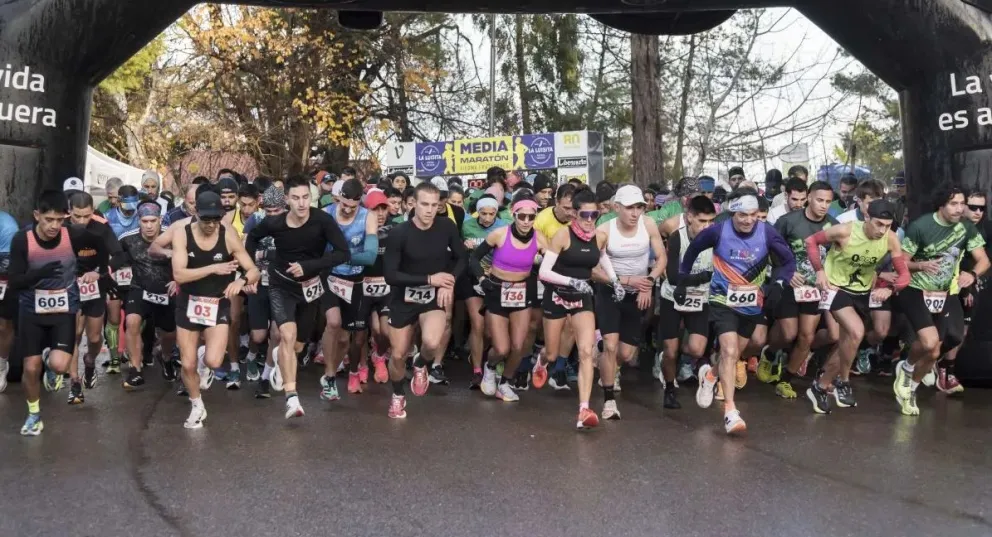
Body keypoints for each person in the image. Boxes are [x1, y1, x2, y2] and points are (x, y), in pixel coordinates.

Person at [675, 191, 795, 435]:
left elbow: (788, 262)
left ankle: (710, 376)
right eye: (742, 215)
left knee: (736, 352)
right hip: (722, 298)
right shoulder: (718, 230)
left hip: (752, 301)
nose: (748, 220)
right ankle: (730, 411)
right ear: (732, 213)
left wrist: (779, 284)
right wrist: (682, 280)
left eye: (753, 215)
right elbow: (692, 251)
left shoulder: (767, 231)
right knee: (729, 350)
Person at [245, 175, 351, 420]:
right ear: (287, 201)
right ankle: (291, 398)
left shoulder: (323, 221)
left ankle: (279, 357)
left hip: (310, 286)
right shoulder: (275, 223)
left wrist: (310, 265)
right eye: (296, 198)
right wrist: (249, 268)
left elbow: (343, 253)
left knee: (299, 346)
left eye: (306, 197)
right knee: (287, 335)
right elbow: (251, 238)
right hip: (281, 286)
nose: (302, 203)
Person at [8, 190, 111, 435]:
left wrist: (100, 272)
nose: (54, 225)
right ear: (37, 216)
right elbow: (15, 282)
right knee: (30, 368)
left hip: (64, 307)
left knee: (59, 365)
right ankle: (34, 415)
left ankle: (49, 360)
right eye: (48, 220)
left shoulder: (73, 235)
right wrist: (39, 274)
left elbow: (104, 247)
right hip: (32, 308)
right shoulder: (22, 240)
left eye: (59, 220)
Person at [804, 199, 909, 413]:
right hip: (835, 287)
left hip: (861, 292)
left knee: (848, 342)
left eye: (888, 225)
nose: (883, 230)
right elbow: (810, 241)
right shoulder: (844, 231)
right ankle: (843, 381)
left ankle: (820, 386)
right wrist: (819, 270)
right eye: (879, 223)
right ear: (867, 217)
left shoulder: (890, 239)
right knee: (857, 331)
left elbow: (904, 274)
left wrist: (890, 289)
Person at [533, 188, 625, 429]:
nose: (589, 221)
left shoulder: (600, 235)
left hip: (582, 297)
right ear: (574, 214)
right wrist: (571, 281)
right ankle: (541, 361)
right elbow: (544, 272)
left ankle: (584, 409)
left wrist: (615, 281)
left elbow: (602, 257)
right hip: (557, 295)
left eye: (594, 215)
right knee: (552, 354)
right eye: (584, 215)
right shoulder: (562, 236)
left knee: (586, 351)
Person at [894, 182, 989, 416]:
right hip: (916, 290)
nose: (960, 209)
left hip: (946, 292)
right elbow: (901, 262)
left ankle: (910, 380)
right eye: (954, 204)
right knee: (929, 344)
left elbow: (984, 260)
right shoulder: (921, 226)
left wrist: (972, 274)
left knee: (951, 339)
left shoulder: (966, 228)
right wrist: (921, 265)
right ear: (941, 205)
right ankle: (907, 373)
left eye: (962, 204)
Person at [171, 191, 260, 428]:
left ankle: (204, 358)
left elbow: (253, 270)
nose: (211, 225)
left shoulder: (228, 234)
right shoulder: (182, 234)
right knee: (187, 364)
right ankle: (197, 406)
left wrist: (241, 281)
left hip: (216, 302)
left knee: (213, 360)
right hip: (188, 301)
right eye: (206, 219)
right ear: (195, 214)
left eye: (215, 219)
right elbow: (179, 274)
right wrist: (214, 268)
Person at [382, 181, 467, 418]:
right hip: (403, 297)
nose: (430, 210)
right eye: (424, 204)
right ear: (414, 204)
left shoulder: (447, 227)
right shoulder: (399, 233)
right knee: (398, 355)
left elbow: (462, 258)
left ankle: (421, 364)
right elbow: (390, 275)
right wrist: (430, 279)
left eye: (434, 205)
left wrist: (449, 280)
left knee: (431, 343)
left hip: (432, 299)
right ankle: (398, 395)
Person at [591, 185, 666, 419]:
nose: (635, 213)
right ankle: (609, 401)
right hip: (609, 291)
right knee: (612, 346)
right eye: (630, 208)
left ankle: (605, 355)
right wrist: (623, 280)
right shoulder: (604, 230)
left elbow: (662, 257)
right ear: (616, 208)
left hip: (636, 294)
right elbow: (592, 269)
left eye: (640, 207)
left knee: (625, 354)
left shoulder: (648, 224)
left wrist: (648, 282)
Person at [757, 181, 837, 398]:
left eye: (828, 201)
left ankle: (786, 380)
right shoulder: (788, 221)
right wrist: (787, 272)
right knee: (789, 333)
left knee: (806, 336)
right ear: (809, 197)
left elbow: (836, 255)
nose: (824, 205)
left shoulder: (833, 225)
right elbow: (771, 249)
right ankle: (771, 353)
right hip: (789, 285)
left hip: (814, 288)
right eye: (820, 200)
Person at [470, 196, 546, 401]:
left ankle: (505, 383)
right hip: (497, 290)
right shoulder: (499, 235)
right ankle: (490, 366)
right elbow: (474, 258)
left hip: (522, 292)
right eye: (522, 216)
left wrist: (543, 260)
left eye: (531, 216)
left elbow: (550, 263)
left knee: (518, 346)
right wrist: (482, 278)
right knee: (501, 348)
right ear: (514, 215)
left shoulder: (539, 239)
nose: (526, 221)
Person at [319, 178, 379, 399]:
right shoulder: (325, 214)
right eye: (343, 204)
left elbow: (371, 256)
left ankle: (331, 372)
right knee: (333, 323)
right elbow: (316, 250)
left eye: (352, 206)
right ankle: (330, 377)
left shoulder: (368, 217)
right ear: (338, 198)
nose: (346, 209)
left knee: (345, 339)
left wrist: (342, 256)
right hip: (330, 277)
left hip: (353, 281)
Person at [64, 191, 123, 404]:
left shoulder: (101, 226)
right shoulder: (60, 227)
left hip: (95, 283)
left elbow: (119, 255)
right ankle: (74, 382)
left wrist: (100, 272)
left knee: (95, 337)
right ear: (69, 211)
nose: (81, 221)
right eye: (77, 216)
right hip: (70, 286)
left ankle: (89, 362)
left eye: (86, 216)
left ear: (93, 212)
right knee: (74, 334)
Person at [114, 201, 178, 390]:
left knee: (169, 333)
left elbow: (187, 259)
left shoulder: (173, 236)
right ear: (138, 220)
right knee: (132, 321)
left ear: (160, 220)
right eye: (144, 221)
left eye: (153, 221)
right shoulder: (127, 238)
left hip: (167, 289)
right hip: (139, 287)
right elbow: (115, 259)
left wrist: (178, 280)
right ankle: (135, 369)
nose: (149, 226)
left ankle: (165, 357)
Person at [938, 188, 988, 393]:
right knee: (940, 330)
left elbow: (985, 261)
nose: (978, 212)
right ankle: (915, 359)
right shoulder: (951, 228)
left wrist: (973, 280)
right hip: (943, 285)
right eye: (973, 207)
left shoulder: (984, 230)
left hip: (968, 285)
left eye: (982, 208)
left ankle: (945, 369)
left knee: (961, 333)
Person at [460, 194, 509, 388]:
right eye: (483, 213)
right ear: (477, 212)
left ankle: (489, 359)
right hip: (473, 277)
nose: (487, 218)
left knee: (490, 331)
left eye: (492, 213)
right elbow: (461, 249)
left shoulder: (505, 226)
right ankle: (477, 371)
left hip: (496, 279)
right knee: (477, 324)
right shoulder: (467, 226)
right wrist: (466, 247)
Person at [242, 186, 287, 397]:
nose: (271, 216)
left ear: (284, 208)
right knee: (258, 336)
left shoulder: (293, 222)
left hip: (283, 284)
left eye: (275, 212)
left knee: (277, 333)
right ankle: (251, 356)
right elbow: (245, 250)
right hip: (259, 282)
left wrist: (266, 254)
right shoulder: (256, 220)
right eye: (268, 212)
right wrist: (249, 274)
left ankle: (265, 378)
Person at [360, 189, 396, 385]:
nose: (380, 214)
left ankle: (379, 355)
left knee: (384, 331)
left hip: (386, 289)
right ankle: (362, 365)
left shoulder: (395, 231)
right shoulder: (359, 230)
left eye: (384, 209)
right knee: (364, 330)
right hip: (362, 287)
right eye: (375, 209)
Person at [0, 209, 18, 392]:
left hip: (3, 274)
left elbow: (7, 264)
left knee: (4, 325)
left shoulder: (7, 226)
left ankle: (1, 366)